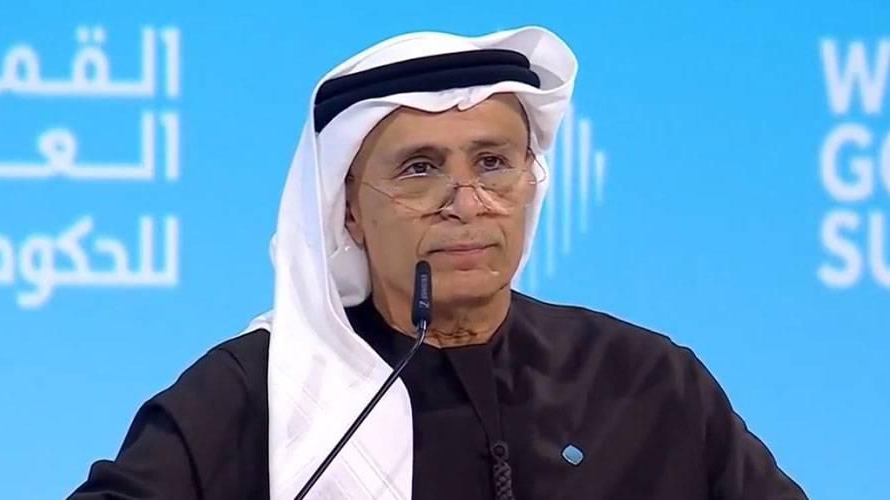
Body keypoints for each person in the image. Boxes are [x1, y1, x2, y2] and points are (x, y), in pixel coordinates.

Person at [69, 26, 808, 500]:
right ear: (348, 211)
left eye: (493, 164)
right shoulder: (258, 392)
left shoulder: (643, 380)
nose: (467, 203)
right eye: (420, 170)